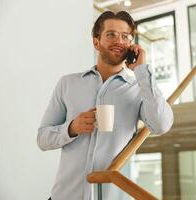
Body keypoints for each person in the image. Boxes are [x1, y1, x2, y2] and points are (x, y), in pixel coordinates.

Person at [37, 11, 174, 200]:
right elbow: (42, 138)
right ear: (96, 42)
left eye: (125, 36)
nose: (119, 41)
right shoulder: (67, 84)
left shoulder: (139, 88)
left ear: (131, 44)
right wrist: (71, 128)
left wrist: (142, 71)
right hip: (64, 196)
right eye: (111, 34)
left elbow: (161, 125)